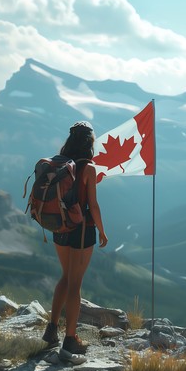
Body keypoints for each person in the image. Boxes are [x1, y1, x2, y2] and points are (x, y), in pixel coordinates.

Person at [42, 121, 108, 354]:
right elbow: (93, 205)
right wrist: (102, 230)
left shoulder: (60, 165)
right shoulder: (88, 169)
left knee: (65, 277)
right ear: (89, 143)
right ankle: (70, 338)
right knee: (75, 283)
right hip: (82, 230)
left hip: (60, 227)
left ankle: (51, 329)